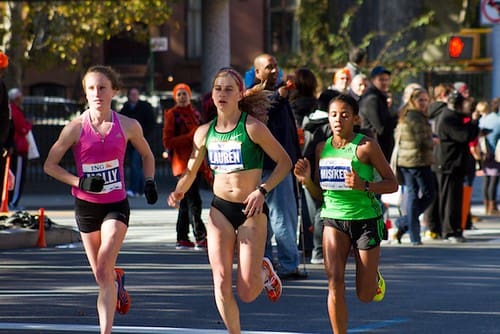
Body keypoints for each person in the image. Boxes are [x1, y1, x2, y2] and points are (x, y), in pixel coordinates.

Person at [167, 67, 290, 334]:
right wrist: (178, 191)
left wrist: (263, 190)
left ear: (240, 94)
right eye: (218, 89)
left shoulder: (253, 128)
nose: (222, 94)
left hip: (251, 208)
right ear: (212, 95)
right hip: (219, 209)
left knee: (246, 292)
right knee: (220, 280)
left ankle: (263, 272)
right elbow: (190, 170)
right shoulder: (204, 133)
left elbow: (285, 162)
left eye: (228, 89)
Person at [43, 65, 158, 334]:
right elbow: (50, 165)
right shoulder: (74, 128)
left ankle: (105, 331)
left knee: (105, 263)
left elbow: (148, 155)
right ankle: (115, 282)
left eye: (102, 88)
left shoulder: (128, 125)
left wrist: (150, 181)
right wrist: (79, 182)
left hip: (116, 205)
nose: (97, 93)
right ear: (85, 93)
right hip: (86, 206)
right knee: (101, 275)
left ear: (114, 91)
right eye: (91, 88)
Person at [294, 94, 397, 334]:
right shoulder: (322, 148)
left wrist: (365, 185)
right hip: (333, 219)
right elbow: (320, 194)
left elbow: (392, 183)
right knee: (334, 283)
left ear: (355, 118)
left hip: (365, 220)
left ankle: (373, 279)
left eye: (344, 114)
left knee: (365, 294)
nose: (338, 119)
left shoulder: (366, 146)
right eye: (333, 115)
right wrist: (307, 180)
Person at [250, 53, 307, 279]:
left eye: (275, 67)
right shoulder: (256, 96)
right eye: (268, 68)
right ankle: (285, 263)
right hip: (269, 165)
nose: (274, 71)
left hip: (282, 163)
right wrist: (278, 97)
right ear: (257, 72)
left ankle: (270, 262)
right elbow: (258, 112)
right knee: (280, 215)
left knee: (275, 215)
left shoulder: (280, 93)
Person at [162, 83, 208, 250]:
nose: (182, 97)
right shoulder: (172, 115)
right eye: (179, 94)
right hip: (182, 164)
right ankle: (200, 236)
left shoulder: (195, 113)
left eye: (185, 94)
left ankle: (182, 238)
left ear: (189, 96)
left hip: (197, 162)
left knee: (186, 202)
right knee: (194, 201)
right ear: (175, 97)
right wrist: (189, 136)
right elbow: (167, 141)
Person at [433, 90, 479, 242]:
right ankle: (449, 230)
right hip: (448, 164)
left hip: (452, 164)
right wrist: (474, 122)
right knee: (450, 199)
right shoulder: (448, 118)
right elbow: (465, 135)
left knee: (453, 198)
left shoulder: (451, 115)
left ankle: (451, 229)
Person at [394, 88, 435, 245]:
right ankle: (409, 229)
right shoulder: (414, 116)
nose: (424, 103)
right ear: (413, 100)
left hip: (408, 159)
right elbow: (421, 141)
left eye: (426, 100)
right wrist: (433, 141)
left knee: (413, 194)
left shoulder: (407, 114)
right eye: (421, 100)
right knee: (428, 194)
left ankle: (405, 225)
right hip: (416, 160)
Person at [119, 87, 156, 197]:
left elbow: (151, 123)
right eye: (132, 94)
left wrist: (144, 135)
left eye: (136, 94)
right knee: (135, 166)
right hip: (129, 142)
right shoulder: (126, 108)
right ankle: (139, 189)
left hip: (141, 139)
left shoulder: (145, 107)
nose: (134, 96)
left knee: (137, 165)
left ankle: (137, 188)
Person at [359, 65, 397, 162]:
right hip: (375, 149)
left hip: (379, 148)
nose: (385, 83)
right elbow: (381, 129)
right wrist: (398, 116)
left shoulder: (379, 97)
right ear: (373, 80)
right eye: (381, 79)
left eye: (386, 80)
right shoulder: (372, 99)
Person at [8, 88, 32, 210]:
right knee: (17, 178)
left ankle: (12, 201)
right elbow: (22, 128)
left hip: (18, 147)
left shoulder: (14, 110)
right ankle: (13, 201)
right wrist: (29, 125)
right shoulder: (15, 110)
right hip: (19, 148)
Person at [477, 100, 500, 215]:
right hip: (495, 153)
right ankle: (493, 207)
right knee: (494, 180)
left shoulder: (484, 119)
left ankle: (487, 206)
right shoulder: (498, 120)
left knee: (487, 180)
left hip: (484, 153)